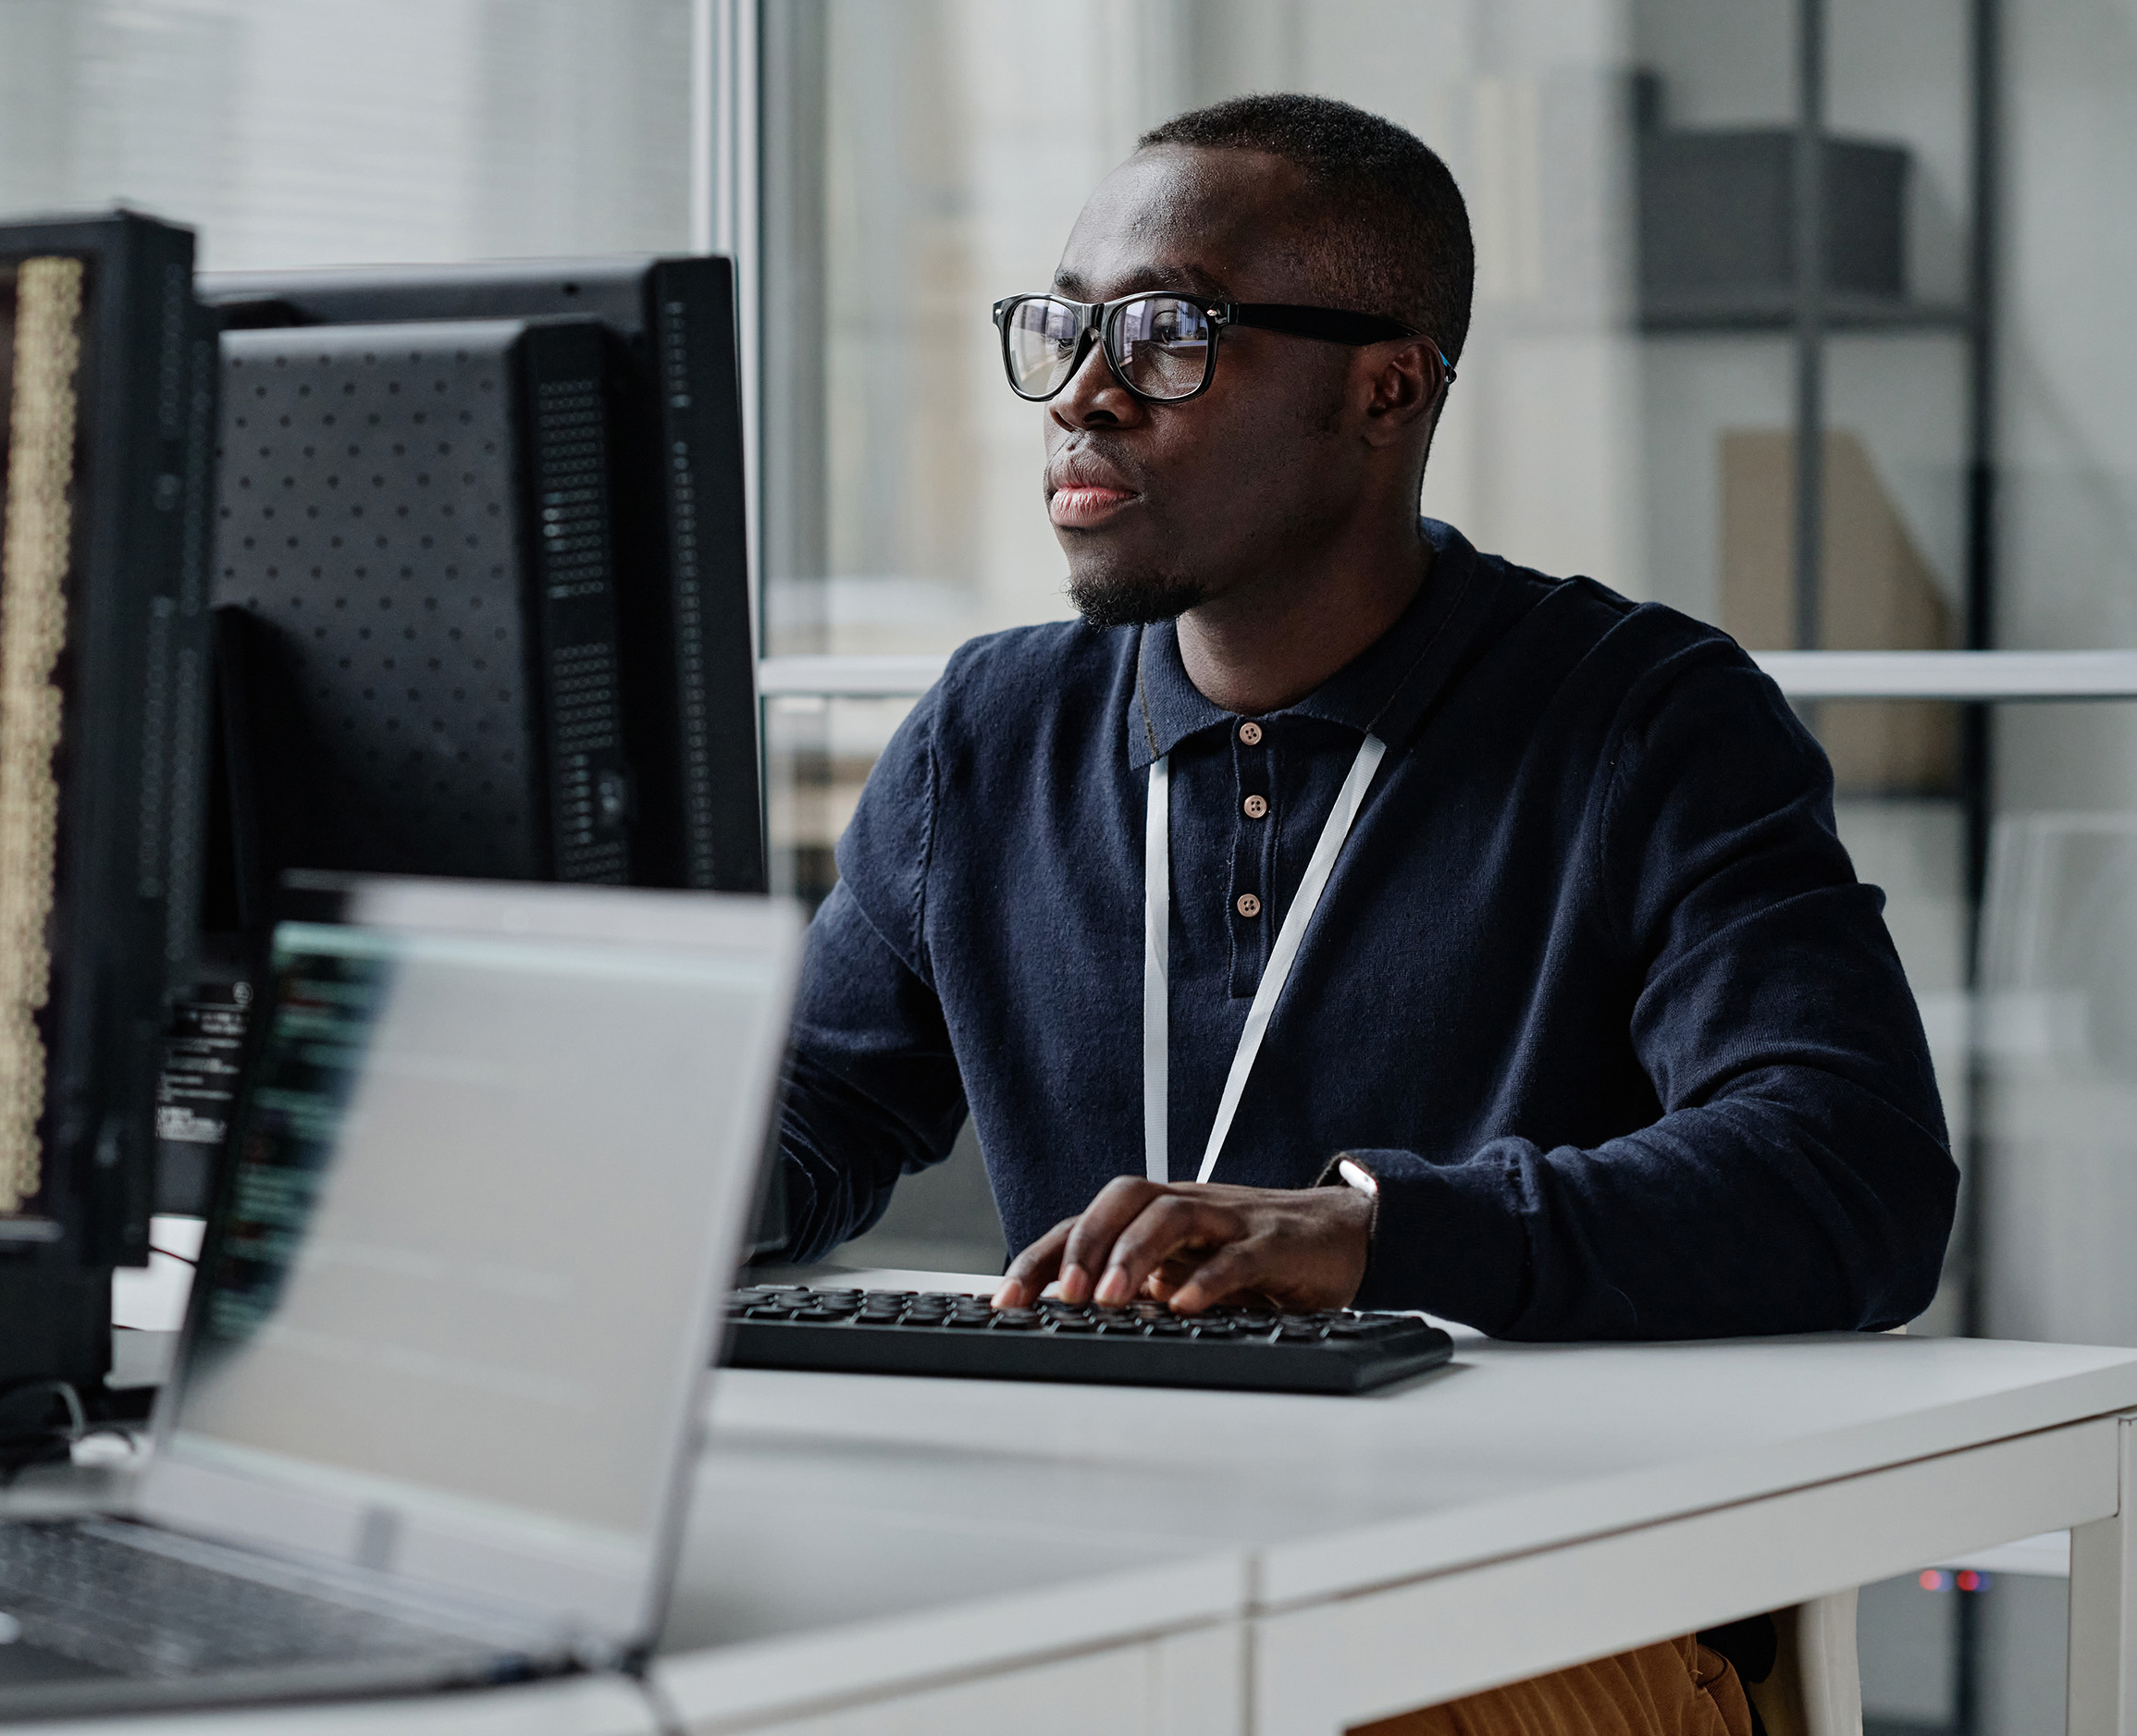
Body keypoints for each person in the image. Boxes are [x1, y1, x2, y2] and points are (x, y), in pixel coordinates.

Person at [772, 92, 1958, 1736]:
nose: (1085, 393)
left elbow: (1853, 1171)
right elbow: (812, 1114)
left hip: (1537, 1605)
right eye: (1064, 328)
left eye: (1171, 335)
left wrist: (1376, 1233)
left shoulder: (1644, 719)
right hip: (1101, 1577)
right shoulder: (989, 736)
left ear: (1386, 390)